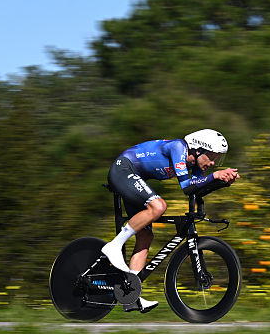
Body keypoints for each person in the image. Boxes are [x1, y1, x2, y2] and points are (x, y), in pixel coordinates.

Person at [102, 129, 240, 313]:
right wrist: (215, 176)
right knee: (158, 206)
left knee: (145, 237)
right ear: (198, 150)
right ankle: (114, 246)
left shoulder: (195, 165)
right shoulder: (178, 147)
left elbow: (197, 190)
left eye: (217, 159)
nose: (213, 163)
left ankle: (130, 295)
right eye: (212, 157)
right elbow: (187, 187)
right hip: (123, 169)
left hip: (136, 177)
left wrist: (221, 182)